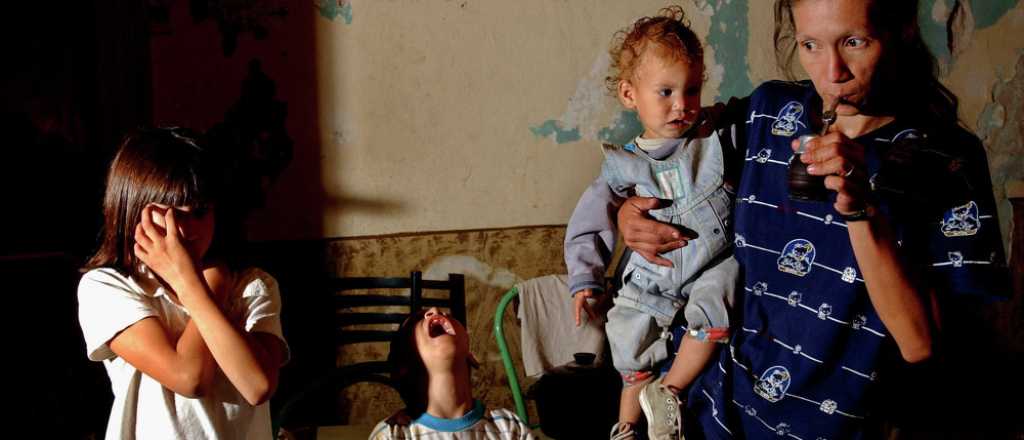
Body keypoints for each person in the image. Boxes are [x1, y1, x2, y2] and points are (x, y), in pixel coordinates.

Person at [616, 1, 1009, 438]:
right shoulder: (767, 112)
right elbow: (667, 163)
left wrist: (861, 209)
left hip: (837, 424)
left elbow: (920, 344)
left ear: (901, 33)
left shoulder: (945, 160)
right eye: (810, 45)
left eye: (855, 42)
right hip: (710, 408)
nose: (832, 71)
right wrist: (628, 217)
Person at [564, 6, 743, 439]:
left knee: (716, 306)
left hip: (710, 263)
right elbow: (590, 222)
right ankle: (625, 427)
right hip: (654, 272)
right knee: (629, 339)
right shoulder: (623, 165)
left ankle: (670, 394)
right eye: (665, 91)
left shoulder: (715, 137)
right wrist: (585, 278)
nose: (682, 105)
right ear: (630, 95)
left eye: (693, 89)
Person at [78, 127, 289, 439]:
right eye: (168, 212)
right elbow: (190, 378)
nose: (185, 229)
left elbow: (257, 385)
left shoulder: (252, 286)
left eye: (199, 212)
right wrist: (206, 284)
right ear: (130, 210)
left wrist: (205, 282)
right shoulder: (107, 288)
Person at [370, 307, 535, 439]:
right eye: (418, 320)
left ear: (471, 355)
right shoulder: (392, 434)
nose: (435, 310)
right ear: (403, 365)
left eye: (449, 315)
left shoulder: (510, 427)